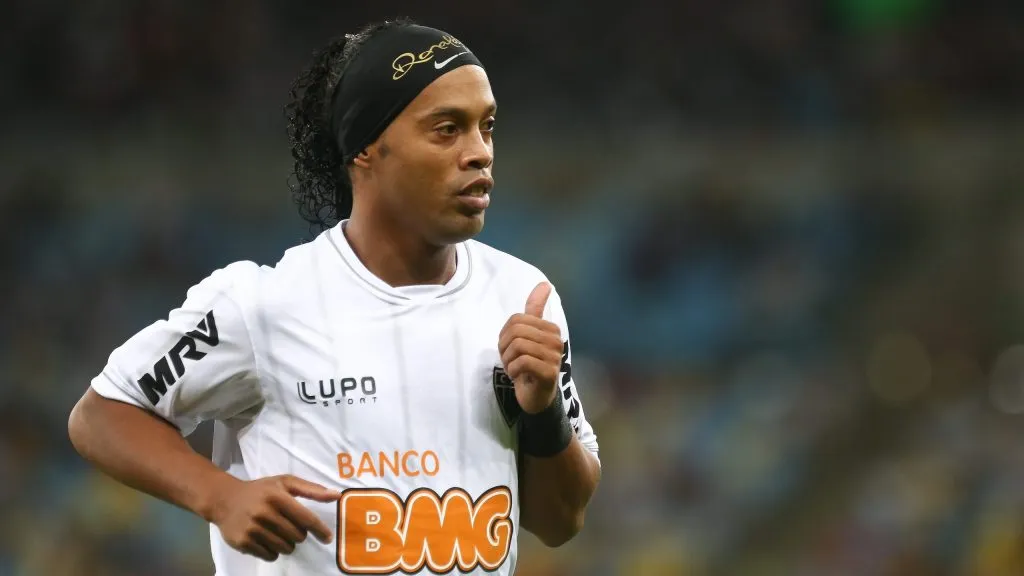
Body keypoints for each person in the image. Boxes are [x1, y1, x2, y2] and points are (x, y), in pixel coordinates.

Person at [68, 18, 601, 575]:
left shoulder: (523, 298)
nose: (479, 153)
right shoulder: (264, 305)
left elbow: (561, 521)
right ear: (366, 150)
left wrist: (541, 415)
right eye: (447, 129)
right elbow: (101, 416)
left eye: (486, 127)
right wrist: (219, 495)